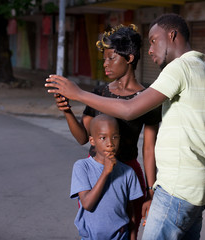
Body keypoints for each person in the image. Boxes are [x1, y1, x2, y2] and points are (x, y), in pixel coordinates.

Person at [46, 13, 205, 240]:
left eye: (153, 41)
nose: (150, 49)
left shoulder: (175, 71)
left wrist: (78, 93)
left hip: (165, 185)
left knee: (130, 230)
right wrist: (68, 110)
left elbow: (134, 119)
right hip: (198, 188)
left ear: (172, 35)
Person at [52, 24, 161, 235]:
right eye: (104, 58)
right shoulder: (99, 93)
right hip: (95, 174)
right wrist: (66, 111)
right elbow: (84, 138)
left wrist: (150, 191)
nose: (105, 64)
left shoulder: (147, 99)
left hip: (128, 175)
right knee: (95, 230)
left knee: (128, 229)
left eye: (111, 58)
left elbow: (149, 149)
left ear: (129, 58)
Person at [70, 114, 143, 240]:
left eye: (115, 137)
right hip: (91, 237)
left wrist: (132, 237)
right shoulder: (82, 167)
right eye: (103, 138)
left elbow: (130, 211)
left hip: (120, 236)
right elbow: (87, 204)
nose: (110, 143)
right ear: (92, 141)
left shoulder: (128, 172)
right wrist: (106, 172)